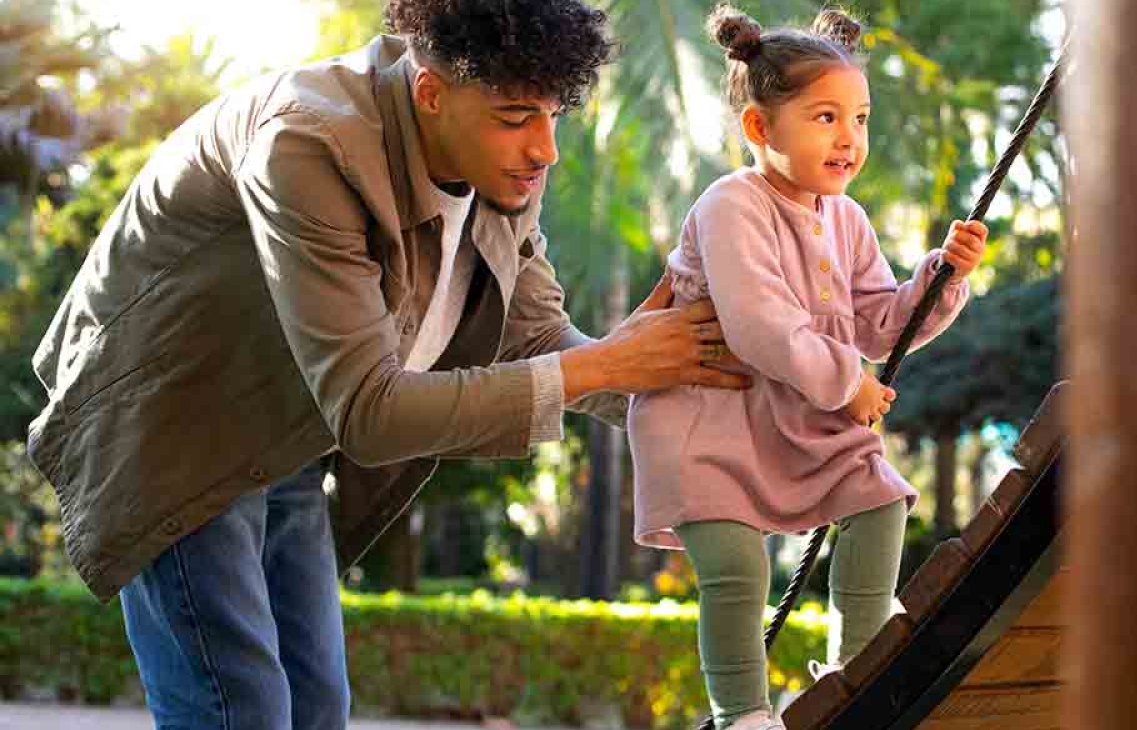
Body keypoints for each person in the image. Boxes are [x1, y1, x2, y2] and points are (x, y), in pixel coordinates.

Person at [24, 1, 749, 728]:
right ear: (430, 92)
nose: (544, 149)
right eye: (515, 116)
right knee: (239, 710)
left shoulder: (499, 170)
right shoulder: (309, 142)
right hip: (174, 426)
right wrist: (611, 367)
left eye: (553, 114)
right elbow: (371, 412)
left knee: (316, 709)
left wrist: (704, 390)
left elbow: (538, 342)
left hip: (286, 439)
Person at [626, 6, 989, 729]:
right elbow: (760, 326)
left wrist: (941, 278)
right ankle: (744, 715)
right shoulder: (731, 204)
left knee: (879, 497)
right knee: (737, 571)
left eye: (859, 118)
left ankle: (858, 668)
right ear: (761, 128)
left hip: (797, 415)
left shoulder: (844, 217)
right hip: (707, 420)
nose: (849, 139)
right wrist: (847, 383)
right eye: (826, 117)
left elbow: (880, 322)